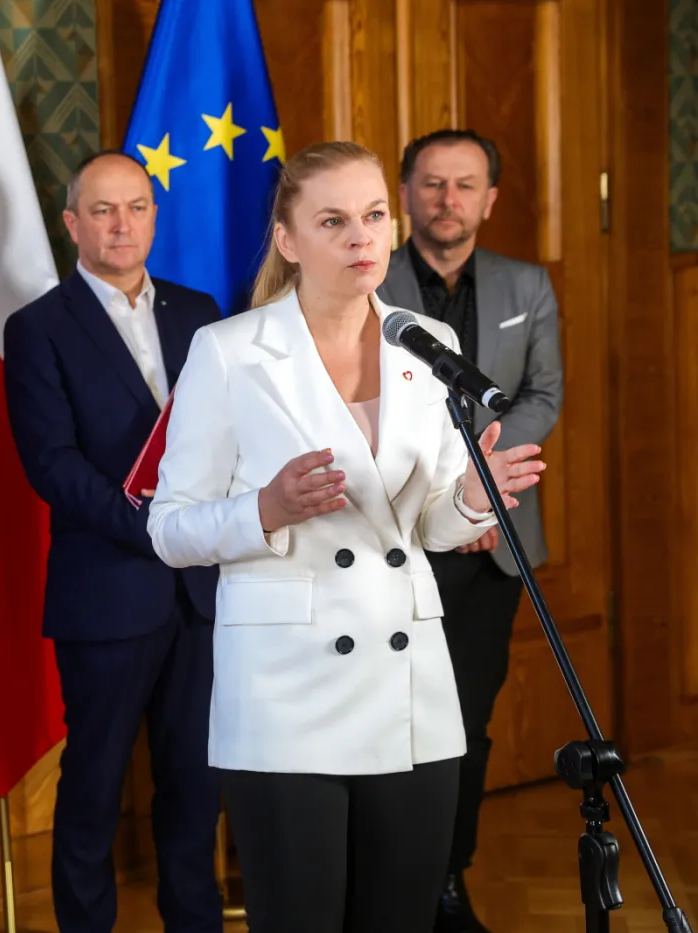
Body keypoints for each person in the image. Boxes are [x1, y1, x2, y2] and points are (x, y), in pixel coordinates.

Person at [147, 141, 547, 933]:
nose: (362, 238)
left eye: (372, 216)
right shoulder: (229, 352)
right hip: (286, 697)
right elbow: (169, 529)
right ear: (289, 239)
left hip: (412, 698)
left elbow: (428, 520)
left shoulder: (428, 345)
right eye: (334, 221)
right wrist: (265, 506)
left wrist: (470, 498)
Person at [3, 151, 224, 932]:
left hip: (202, 591)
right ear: (72, 224)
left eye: (135, 207)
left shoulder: (201, 313)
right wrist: (154, 528)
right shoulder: (37, 329)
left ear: (154, 217)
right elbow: (51, 465)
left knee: (195, 784)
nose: (121, 223)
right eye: (102, 210)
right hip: (107, 591)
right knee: (93, 786)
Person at [377, 128, 564, 933]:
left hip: (494, 547)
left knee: (466, 726)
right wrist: (454, 487)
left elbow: (543, 395)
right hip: (397, 539)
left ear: (489, 198)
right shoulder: (368, 280)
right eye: (431, 184)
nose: (447, 200)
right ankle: (386, 891)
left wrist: (481, 492)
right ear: (406, 193)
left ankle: (448, 882)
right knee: (392, 726)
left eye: (465, 185)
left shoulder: (528, 283)